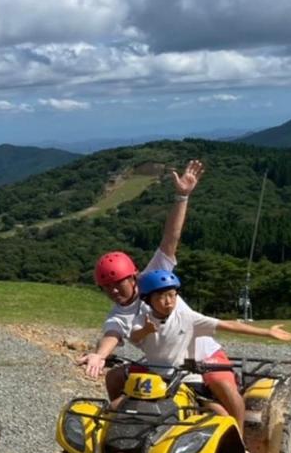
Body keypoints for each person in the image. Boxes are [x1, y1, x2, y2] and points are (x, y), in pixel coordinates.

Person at [77, 159, 205, 397]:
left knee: (216, 403)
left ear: (134, 277)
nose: (114, 291)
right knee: (116, 378)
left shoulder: (154, 277)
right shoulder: (118, 314)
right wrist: (100, 355)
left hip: (195, 362)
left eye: (119, 283)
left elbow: (170, 239)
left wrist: (182, 197)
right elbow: (112, 335)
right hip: (160, 366)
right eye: (107, 287)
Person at [128, 269, 291, 424]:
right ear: (147, 300)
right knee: (119, 408)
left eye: (172, 295)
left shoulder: (187, 317)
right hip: (154, 379)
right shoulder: (143, 319)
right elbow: (134, 336)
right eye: (160, 297)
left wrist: (266, 332)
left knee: (220, 413)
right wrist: (145, 330)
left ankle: (238, 443)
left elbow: (227, 325)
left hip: (184, 378)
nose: (168, 302)